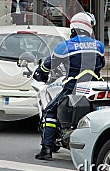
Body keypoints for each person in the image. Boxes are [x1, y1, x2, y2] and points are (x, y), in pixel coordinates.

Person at [33, 12, 105, 160]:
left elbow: (49, 65)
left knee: (49, 112)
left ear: (74, 28)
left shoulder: (65, 46)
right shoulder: (99, 45)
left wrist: (40, 72)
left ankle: (46, 148)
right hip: (97, 85)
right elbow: (101, 64)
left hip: (73, 86)